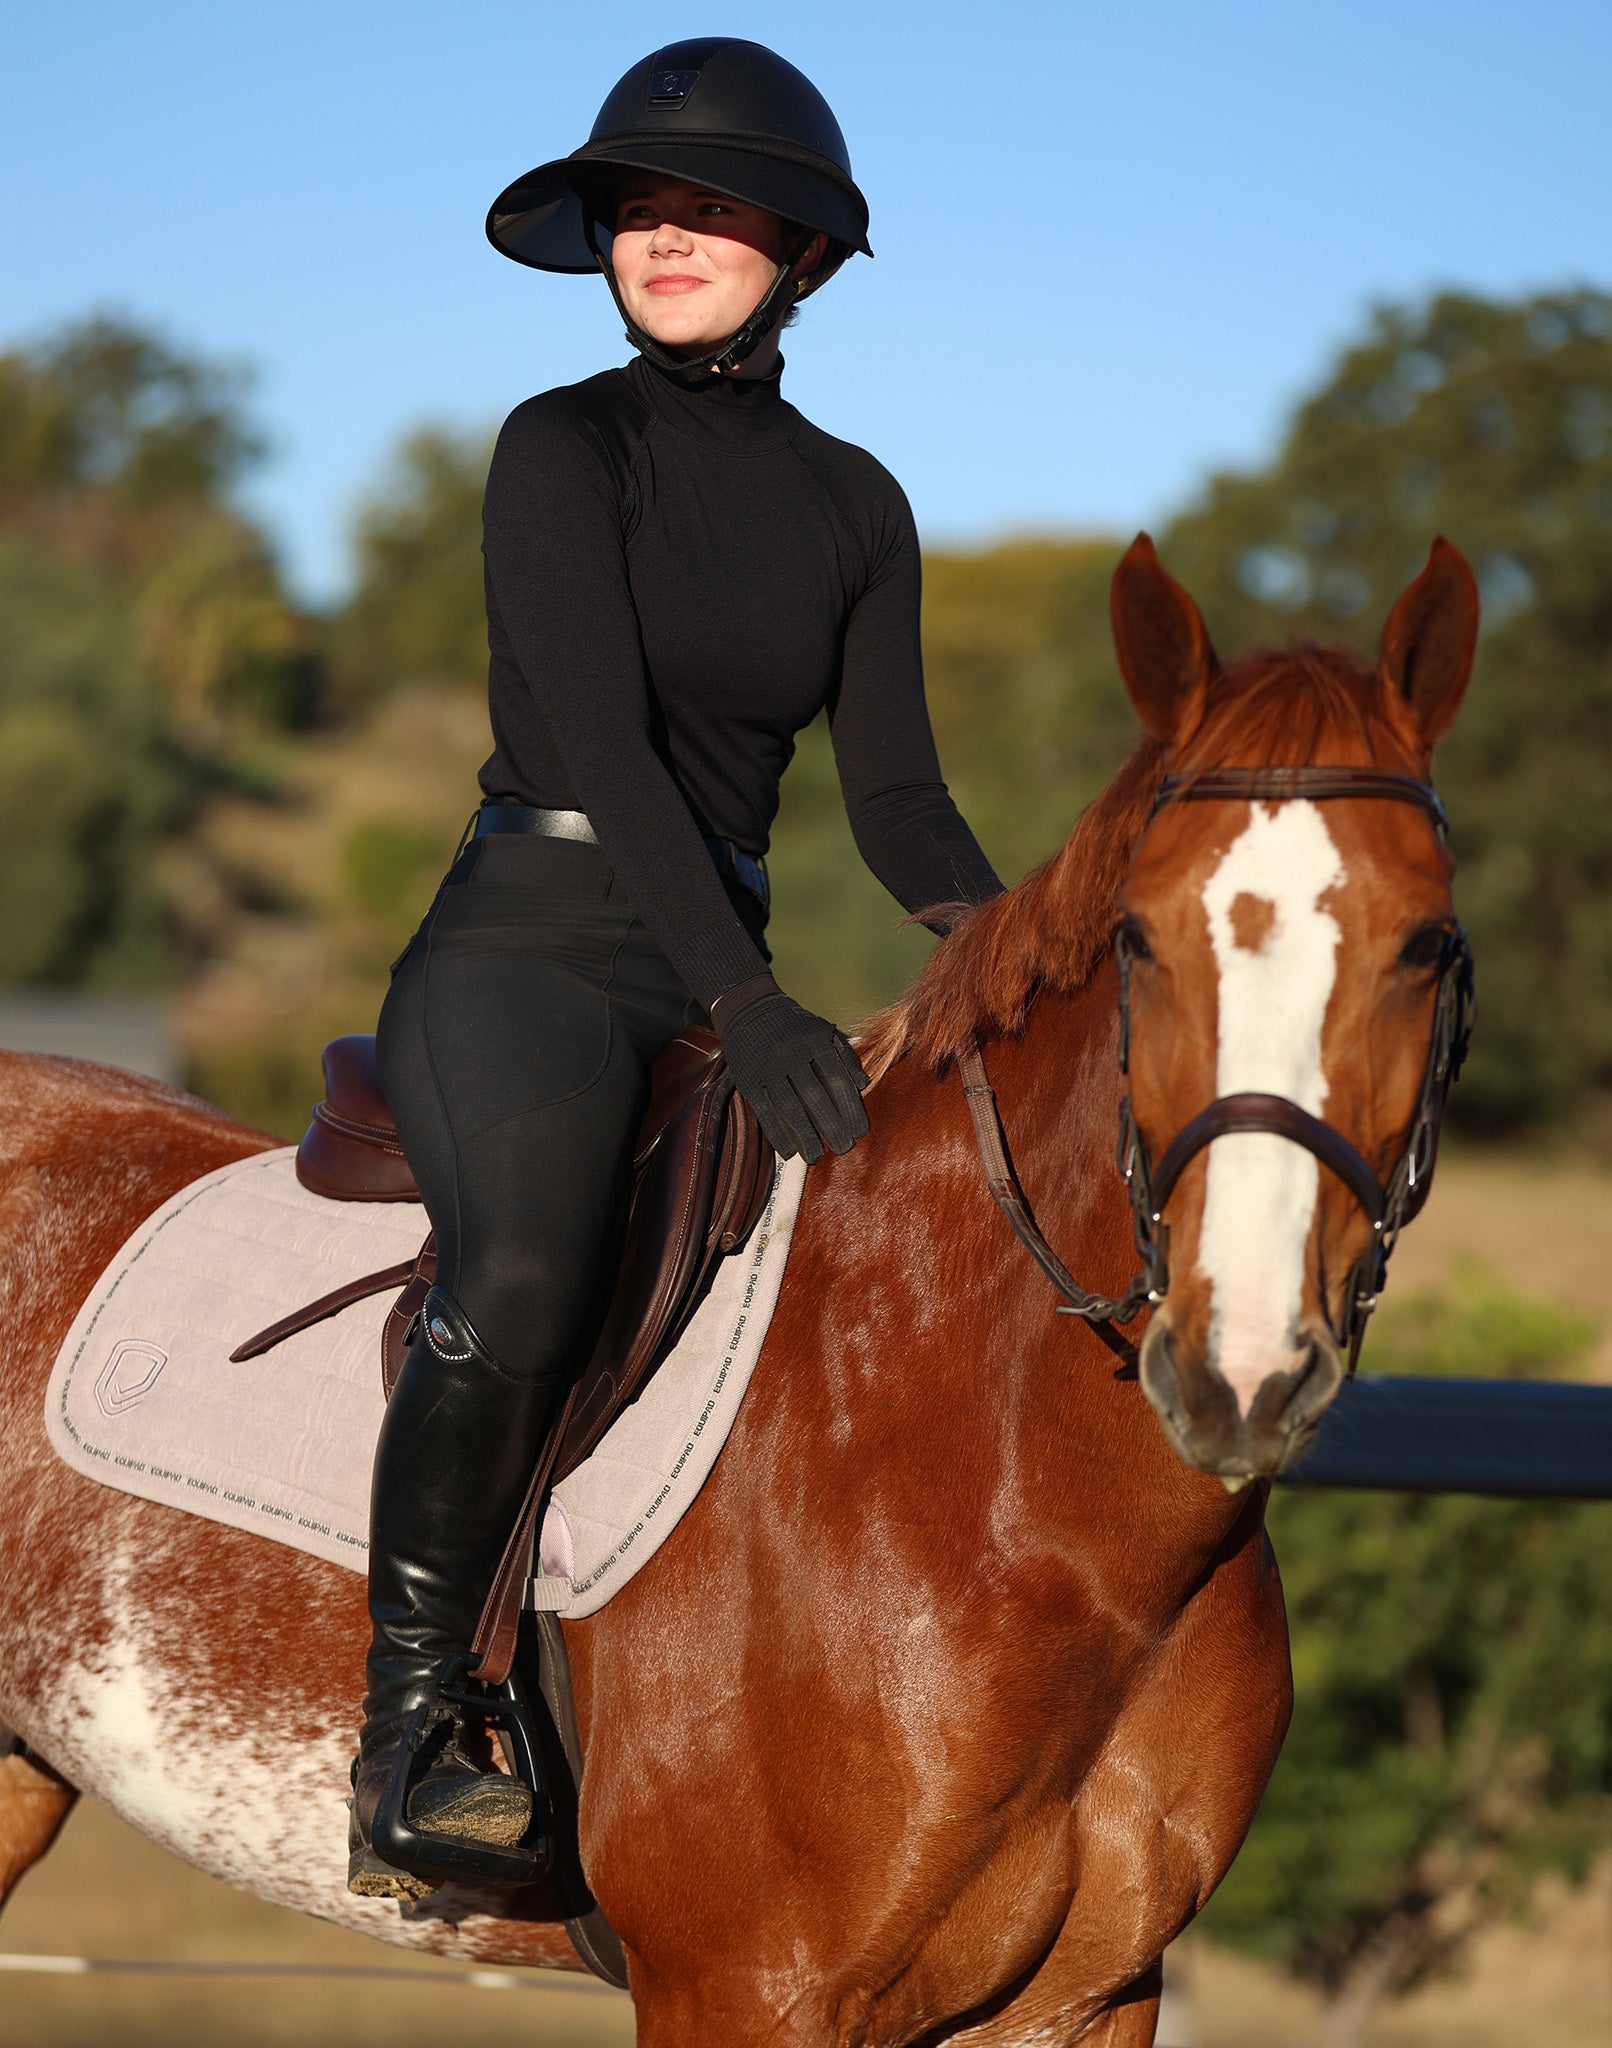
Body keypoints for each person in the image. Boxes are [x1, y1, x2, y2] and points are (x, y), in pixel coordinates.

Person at [348, 35, 1002, 1900]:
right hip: (529, 949)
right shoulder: (563, 448)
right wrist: (749, 999)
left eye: (712, 207)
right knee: (535, 1266)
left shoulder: (860, 505)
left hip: (722, 959)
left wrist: (1049, 951)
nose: (669, 234)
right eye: (642, 206)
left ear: (798, 245)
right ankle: (419, 1724)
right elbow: (607, 749)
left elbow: (897, 802)